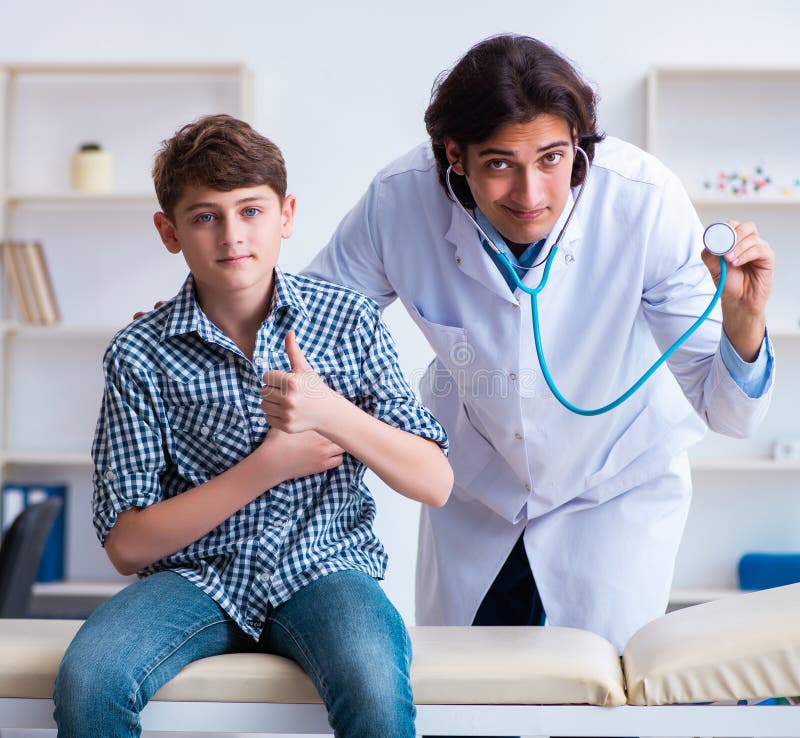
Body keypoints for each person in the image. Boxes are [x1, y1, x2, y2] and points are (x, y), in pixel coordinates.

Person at [304, 34, 775, 655]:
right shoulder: (400, 201)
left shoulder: (643, 200)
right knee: (466, 687)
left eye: (552, 159)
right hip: (477, 488)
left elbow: (729, 413)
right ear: (455, 155)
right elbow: (309, 329)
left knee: (604, 685)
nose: (530, 196)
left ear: (577, 144)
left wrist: (743, 320)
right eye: (500, 164)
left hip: (614, 485)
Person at [53, 114, 452, 738]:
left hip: (325, 570)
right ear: (169, 231)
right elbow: (126, 545)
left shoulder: (349, 320)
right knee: (90, 679)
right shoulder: (140, 353)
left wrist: (329, 412)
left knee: (373, 684)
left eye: (251, 211)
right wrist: (269, 465)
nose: (232, 235)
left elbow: (435, 482)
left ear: (286, 215)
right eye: (205, 216)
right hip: (195, 580)